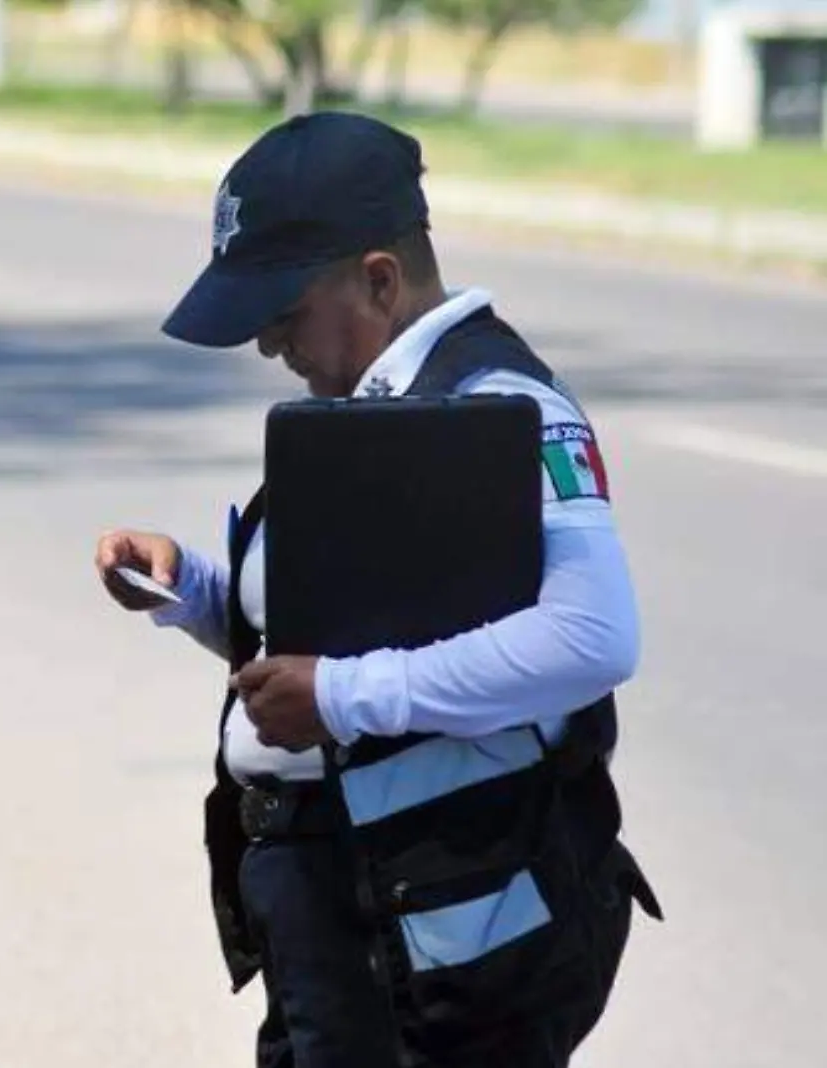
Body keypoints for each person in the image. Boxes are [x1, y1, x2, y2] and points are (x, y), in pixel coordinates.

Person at [94, 111, 661, 1067]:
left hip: (449, 970)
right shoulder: (381, 408)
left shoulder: (505, 412)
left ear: (380, 280)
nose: (269, 344)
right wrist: (194, 589)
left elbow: (593, 637)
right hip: (358, 940)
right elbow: (364, 615)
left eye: (284, 312)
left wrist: (342, 699)